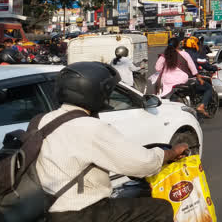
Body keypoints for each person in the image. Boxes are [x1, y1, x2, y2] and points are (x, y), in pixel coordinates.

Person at [35, 62, 187, 221]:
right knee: (160, 209)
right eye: (107, 91)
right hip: (81, 212)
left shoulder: (43, 120)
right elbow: (143, 163)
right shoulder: (90, 127)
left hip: (48, 209)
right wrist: (172, 152)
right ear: (94, 92)